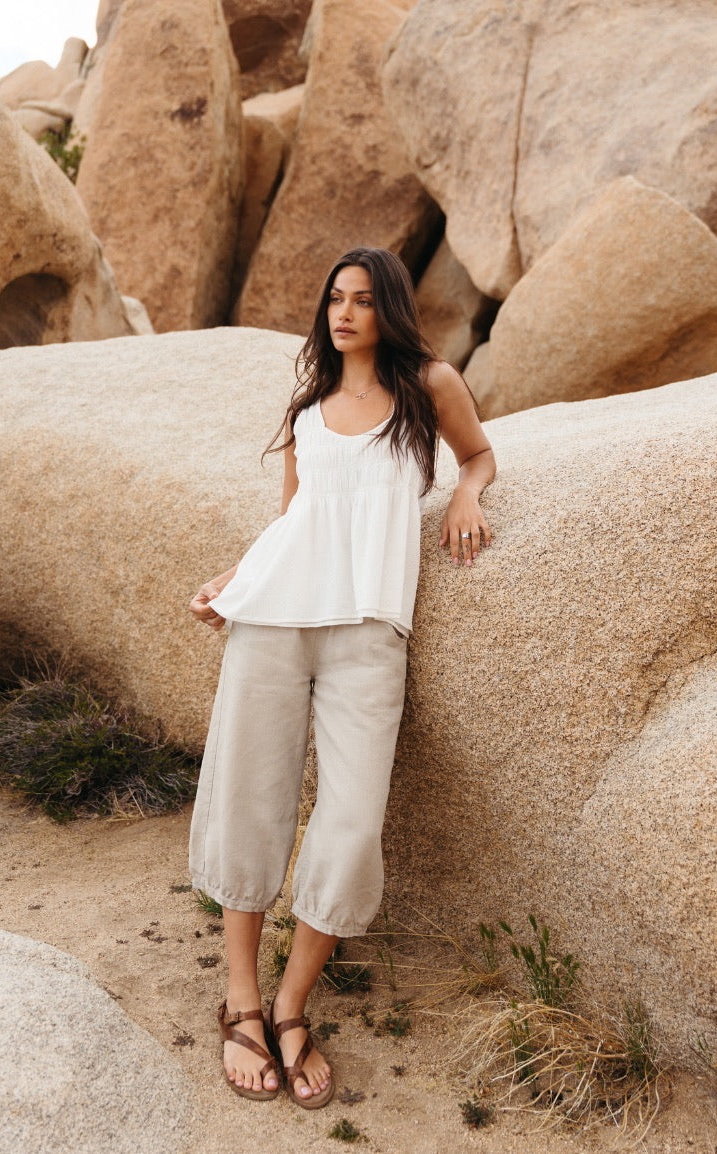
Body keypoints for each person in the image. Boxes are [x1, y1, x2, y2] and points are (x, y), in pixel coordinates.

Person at [188, 247, 495, 1108]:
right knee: (252, 797)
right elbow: (292, 521)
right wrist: (233, 580)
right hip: (275, 623)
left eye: (362, 300)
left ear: (389, 308)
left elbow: (477, 456)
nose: (345, 313)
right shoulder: (310, 409)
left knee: (353, 825)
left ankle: (293, 1004)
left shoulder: (429, 386)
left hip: (368, 631)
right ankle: (243, 998)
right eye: (334, 300)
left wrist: (468, 495)